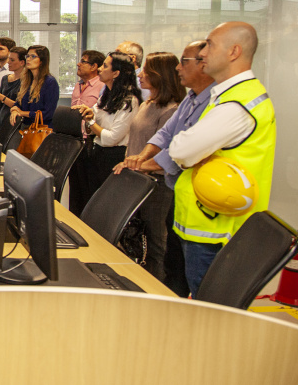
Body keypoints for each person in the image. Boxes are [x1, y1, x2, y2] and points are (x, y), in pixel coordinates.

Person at [168, 22, 275, 296]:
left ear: (234, 52)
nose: (202, 52)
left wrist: (193, 154)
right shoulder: (228, 95)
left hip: (217, 232)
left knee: (212, 317)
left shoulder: (237, 104)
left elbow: (180, 150)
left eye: (209, 44)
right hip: (208, 223)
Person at [118, 41, 215, 296]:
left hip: (167, 185)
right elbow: (163, 136)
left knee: (162, 247)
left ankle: (161, 296)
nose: (178, 68)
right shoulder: (183, 101)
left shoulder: (207, 103)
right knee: (159, 247)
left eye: (184, 62)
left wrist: (145, 165)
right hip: (159, 182)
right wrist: (140, 159)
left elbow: (180, 150)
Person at [113, 52, 185, 282]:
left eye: (146, 70)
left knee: (155, 240)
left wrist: (141, 164)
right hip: (136, 179)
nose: (140, 74)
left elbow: (168, 152)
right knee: (135, 238)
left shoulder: (172, 109)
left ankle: (156, 286)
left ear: (160, 75)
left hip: (157, 184)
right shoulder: (148, 103)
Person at [73, 52, 141, 209]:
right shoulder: (107, 95)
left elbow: (112, 138)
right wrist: (89, 117)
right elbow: (90, 127)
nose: (100, 69)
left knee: (106, 206)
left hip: (113, 157)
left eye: (105, 66)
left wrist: (90, 121)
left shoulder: (129, 101)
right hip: (97, 153)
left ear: (116, 73)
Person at [67, 49, 106, 215]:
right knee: (74, 188)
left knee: (87, 188)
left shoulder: (102, 86)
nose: (78, 64)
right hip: (73, 140)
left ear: (94, 67)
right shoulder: (78, 85)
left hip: (90, 142)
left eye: (83, 61)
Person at [9, 45, 59, 127]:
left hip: (41, 131)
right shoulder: (27, 81)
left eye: (33, 56)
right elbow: (18, 104)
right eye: (27, 56)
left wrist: (22, 113)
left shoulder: (50, 82)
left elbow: (48, 114)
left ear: (42, 61)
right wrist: (14, 110)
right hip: (25, 128)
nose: (28, 59)